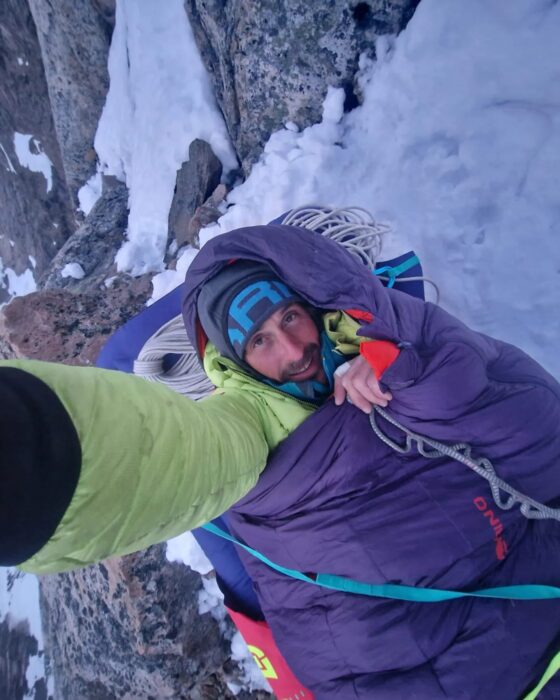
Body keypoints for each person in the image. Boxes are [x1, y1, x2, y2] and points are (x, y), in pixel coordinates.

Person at [1, 223, 559, 698]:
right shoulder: (249, 420)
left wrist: (407, 365)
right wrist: (30, 465)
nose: (293, 352)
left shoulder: (389, 336)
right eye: (260, 343)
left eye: (290, 318)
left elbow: (534, 427)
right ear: (236, 366)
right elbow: (186, 452)